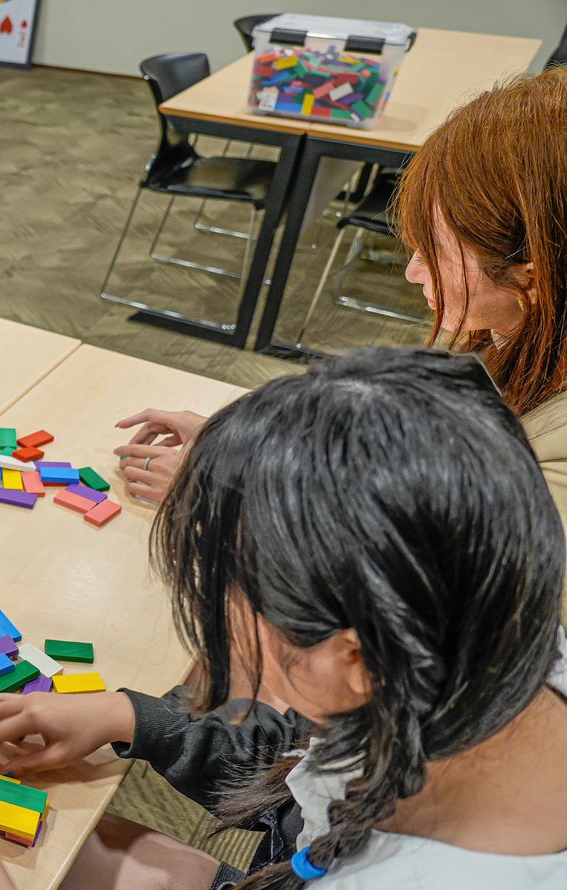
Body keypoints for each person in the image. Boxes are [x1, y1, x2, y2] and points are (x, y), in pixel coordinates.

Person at [0, 348, 567, 890]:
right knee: (63, 859)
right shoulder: (493, 658)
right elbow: (311, 756)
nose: (218, 656)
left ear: (350, 657)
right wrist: (133, 717)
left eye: (227, 615)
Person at [113, 70, 567, 540]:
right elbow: (418, 459)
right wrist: (241, 444)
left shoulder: (555, 463)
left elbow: (433, 568)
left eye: (436, 254)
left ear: (531, 274)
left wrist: (228, 501)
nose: (413, 273)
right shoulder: (503, 324)